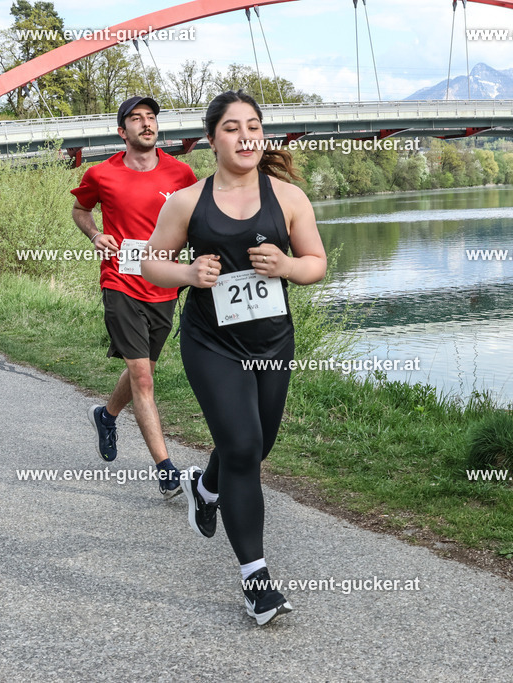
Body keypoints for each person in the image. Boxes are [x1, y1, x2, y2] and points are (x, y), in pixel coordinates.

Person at [142, 90, 327, 625]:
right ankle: (257, 583)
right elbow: (153, 263)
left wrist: (287, 266)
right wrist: (186, 274)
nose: (245, 136)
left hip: (272, 342)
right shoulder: (186, 202)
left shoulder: (288, 198)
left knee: (258, 443)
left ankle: (207, 487)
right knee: (243, 447)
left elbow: (315, 263)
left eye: (253, 126)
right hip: (212, 344)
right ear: (211, 139)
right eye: (232, 127)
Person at [70, 95, 198, 499]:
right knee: (142, 377)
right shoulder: (101, 174)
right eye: (136, 119)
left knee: (146, 371)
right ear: (121, 131)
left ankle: (106, 416)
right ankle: (166, 469)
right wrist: (95, 234)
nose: (147, 124)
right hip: (120, 281)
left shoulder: (181, 173)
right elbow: (80, 209)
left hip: (164, 285)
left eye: (152, 118)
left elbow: (198, 219)